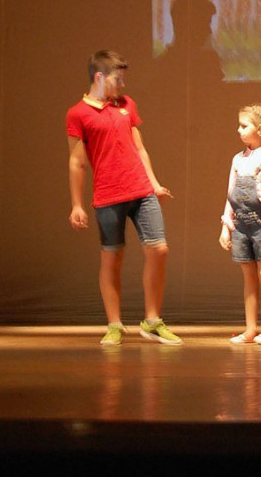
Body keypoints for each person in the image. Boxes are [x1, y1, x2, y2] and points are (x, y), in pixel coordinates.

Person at [66, 49, 182, 347]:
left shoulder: (126, 105)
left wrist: (155, 184)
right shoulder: (78, 113)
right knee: (112, 258)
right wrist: (77, 204)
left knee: (159, 249)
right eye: (117, 79)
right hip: (108, 195)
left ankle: (152, 321)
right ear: (99, 77)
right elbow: (77, 162)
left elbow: (139, 148)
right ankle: (115, 324)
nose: (122, 85)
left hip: (141, 190)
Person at [219, 103, 261, 344]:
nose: (239, 130)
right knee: (248, 278)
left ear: (260, 130)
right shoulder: (238, 159)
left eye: (244, 125)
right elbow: (231, 194)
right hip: (240, 225)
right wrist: (226, 225)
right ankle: (249, 329)